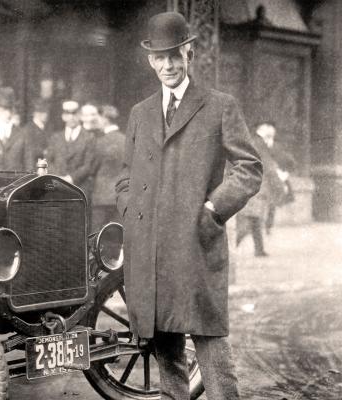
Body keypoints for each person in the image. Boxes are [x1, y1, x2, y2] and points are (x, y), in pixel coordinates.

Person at [115, 12, 263, 400]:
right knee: (166, 350)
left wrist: (214, 210)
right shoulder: (140, 113)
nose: (168, 65)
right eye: (160, 58)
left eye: (175, 56)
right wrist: (130, 209)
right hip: (149, 248)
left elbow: (249, 168)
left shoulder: (218, 106)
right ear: (150, 60)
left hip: (195, 244)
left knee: (212, 347)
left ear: (189, 52)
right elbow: (126, 175)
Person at [236, 122, 286, 255]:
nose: (272, 135)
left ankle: (259, 249)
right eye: (270, 133)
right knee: (250, 219)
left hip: (250, 184)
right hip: (257, 186)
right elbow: (268, 166)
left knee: (255, 218)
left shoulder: (254, 141)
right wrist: (279, 185)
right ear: (264, 129)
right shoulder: (260, 144)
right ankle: (232, 244)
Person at [46, 100, 97, 199]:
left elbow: (88, 165)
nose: (71, 117)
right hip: (56, 188)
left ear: (80, 116)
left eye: (75, 114)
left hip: (79, 189)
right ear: (63, 116)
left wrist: (70, 178)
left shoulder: (89, 137)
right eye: (67, 114)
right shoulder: (55, 137)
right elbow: (48, 160)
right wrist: (58, 178)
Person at [90, 104, 125, 231]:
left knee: (96, 236)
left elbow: (91, 168)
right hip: (119, 197)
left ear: (105, 119)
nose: (96, 121)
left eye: (98, 117)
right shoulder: (125, 140)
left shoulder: (100, 142)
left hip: (101, 197)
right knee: (115, 236)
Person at [0, 87, 27, 171]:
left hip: (16, 182)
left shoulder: (22, 134)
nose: (8, 113)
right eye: (4, 109)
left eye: (11, 109)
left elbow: (28, 162)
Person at [22, 98, 50, 169]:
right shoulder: (28, 129)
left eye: (46, 111)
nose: (46, 114)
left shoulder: (47, 128)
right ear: (35, 113)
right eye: (43, 112)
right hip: (34, 168)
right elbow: (29, 153)